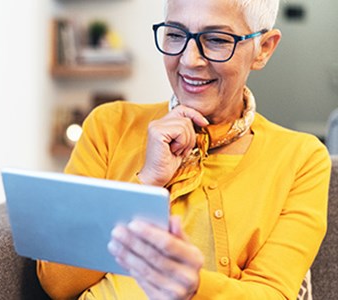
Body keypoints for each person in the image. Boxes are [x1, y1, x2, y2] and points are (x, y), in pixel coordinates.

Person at [38, 0, 331, 299]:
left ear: (264, 49)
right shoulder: (109, 125)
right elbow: (58, 282)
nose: (189, 60)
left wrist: (193, 287)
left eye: (217, 40)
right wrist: (148, 181)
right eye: (176, 35)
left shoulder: (302, 159)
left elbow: (271, 293)